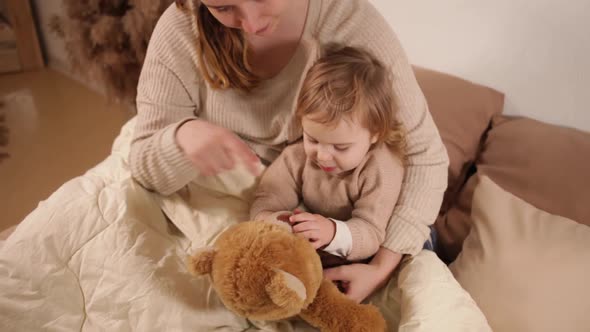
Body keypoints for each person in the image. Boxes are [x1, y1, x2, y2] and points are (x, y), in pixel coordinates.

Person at [130, 0, 449, 303]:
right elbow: (144, 165)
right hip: (265, 219)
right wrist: (181, 137)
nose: (251, 25)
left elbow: (425, 155)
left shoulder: (346, 19)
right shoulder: (180, 30)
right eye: (223, 7)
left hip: (368, 230)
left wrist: (380, 268)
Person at [250, 45, 405, 267]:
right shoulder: (297, 156)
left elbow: (371, 232)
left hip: (375, 236)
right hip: (327, 237)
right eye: (312, 139)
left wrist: (332, 232)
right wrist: (271, 220)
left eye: (340, 147)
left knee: (420, 260)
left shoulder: (380, 169)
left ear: (375, 134)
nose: (321, 156)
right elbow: (269, 195)